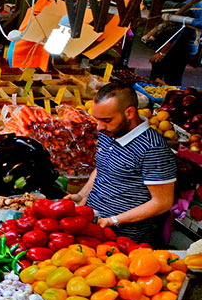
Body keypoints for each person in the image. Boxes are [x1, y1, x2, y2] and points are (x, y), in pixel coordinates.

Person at [71, 83, 176, 244]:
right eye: (97, 119)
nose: (99, 127)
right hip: (94, 225)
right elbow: (102, 168)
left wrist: (113, 220)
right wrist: (82, 195)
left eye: (106, 120)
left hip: (125, 238)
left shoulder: (153, 148)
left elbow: (162, 203)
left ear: (129, 113)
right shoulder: (109, 132)